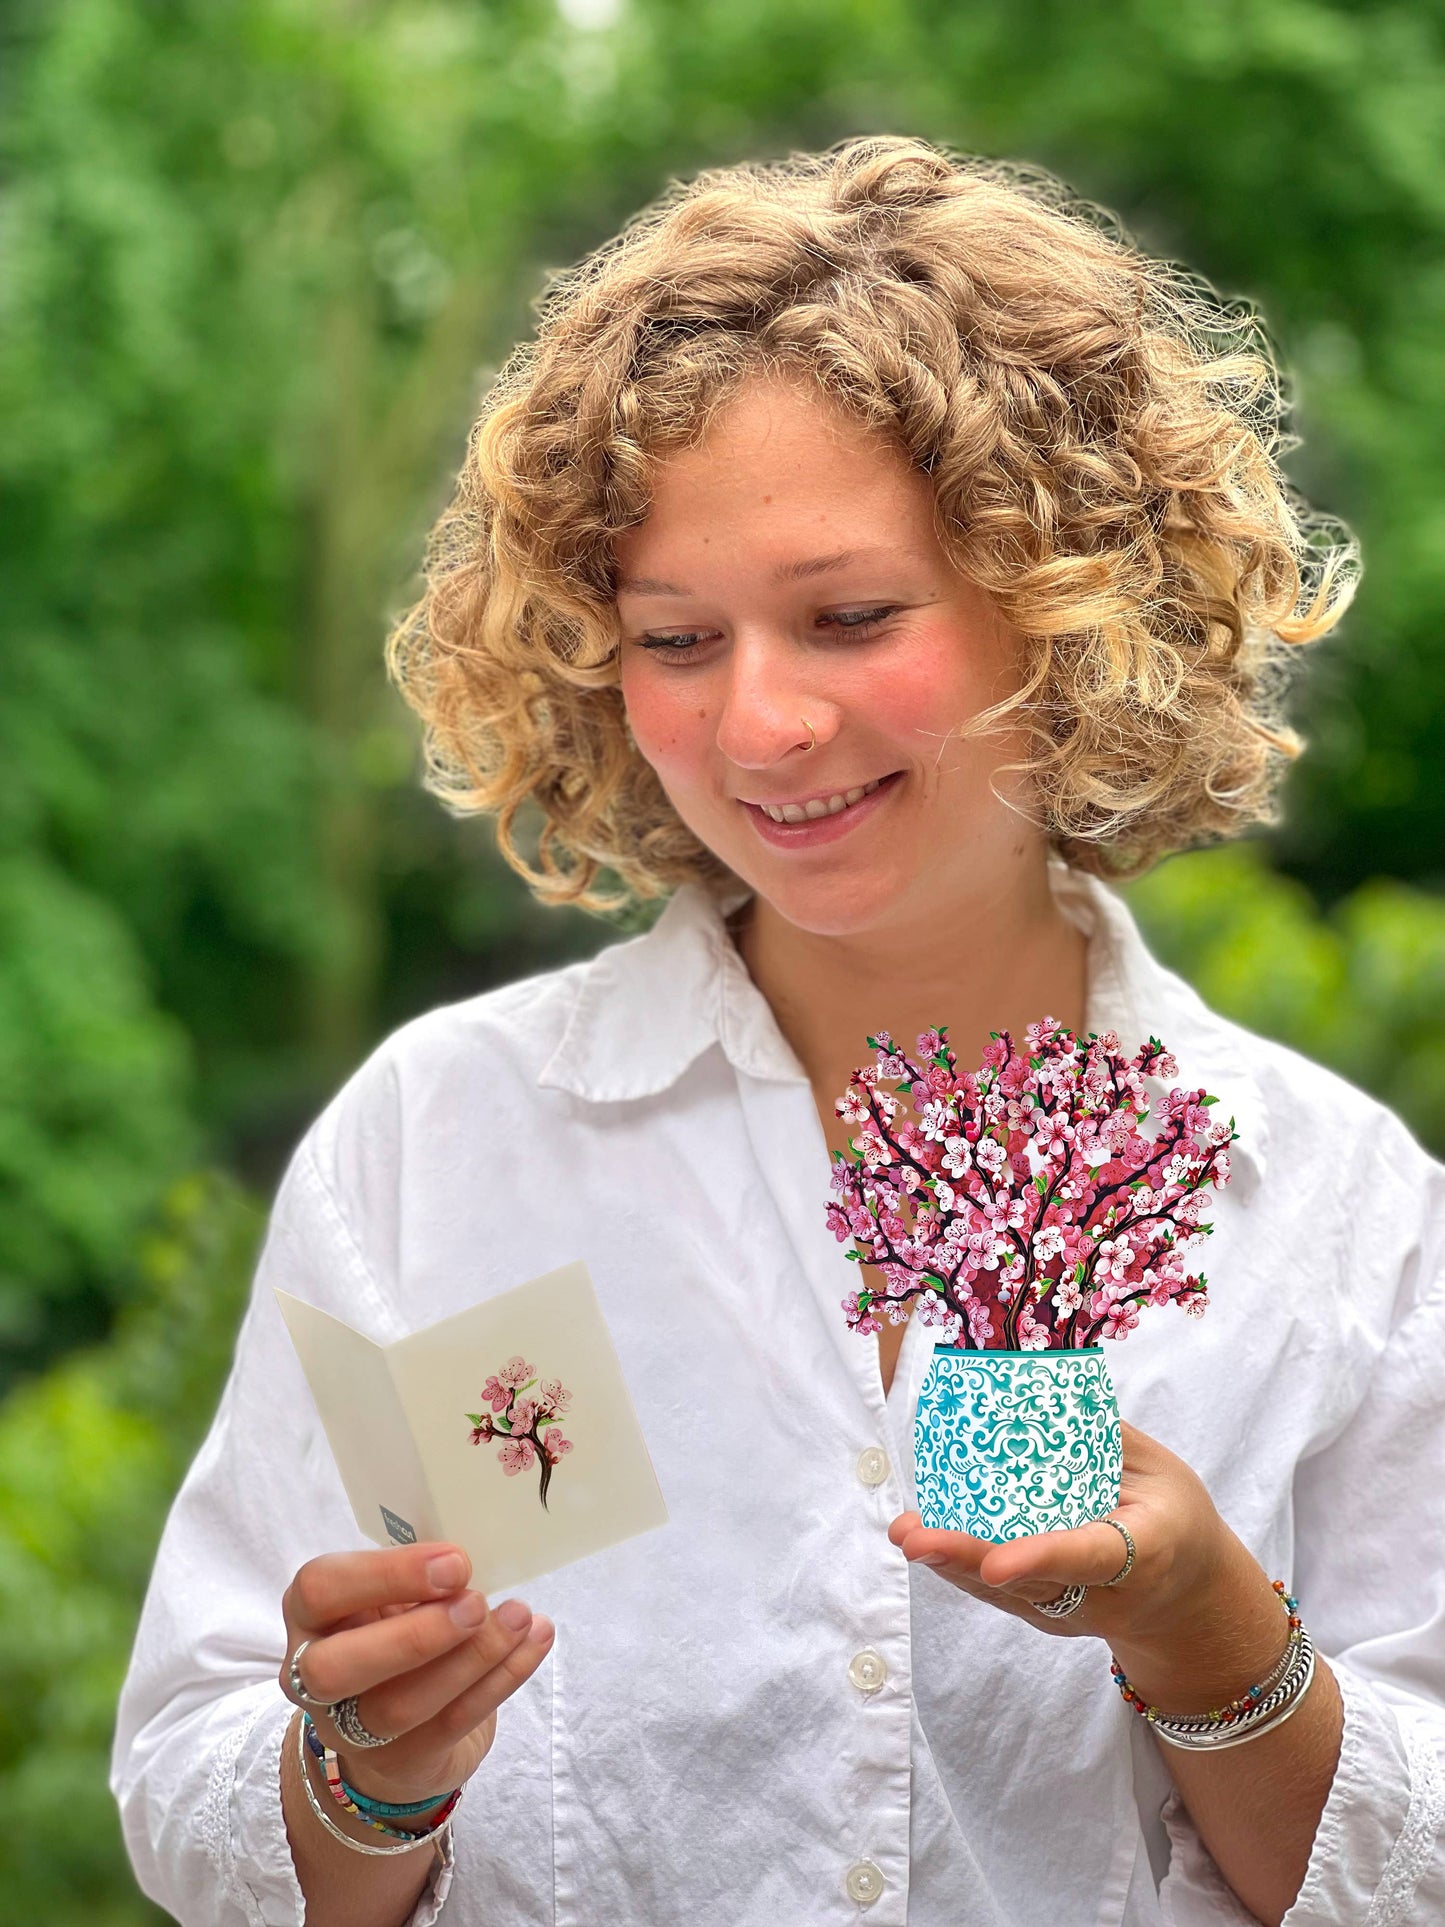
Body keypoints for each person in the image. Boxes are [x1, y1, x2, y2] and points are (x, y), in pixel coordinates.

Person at [112, 135, 1445, 1927]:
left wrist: (1212, 1640)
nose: (759, 725)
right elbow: (195, 1797)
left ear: (1063, 601)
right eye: (673, 638)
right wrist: (362, 1769)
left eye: (849, 618)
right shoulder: (444, 1144)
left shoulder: (1334, 1209)